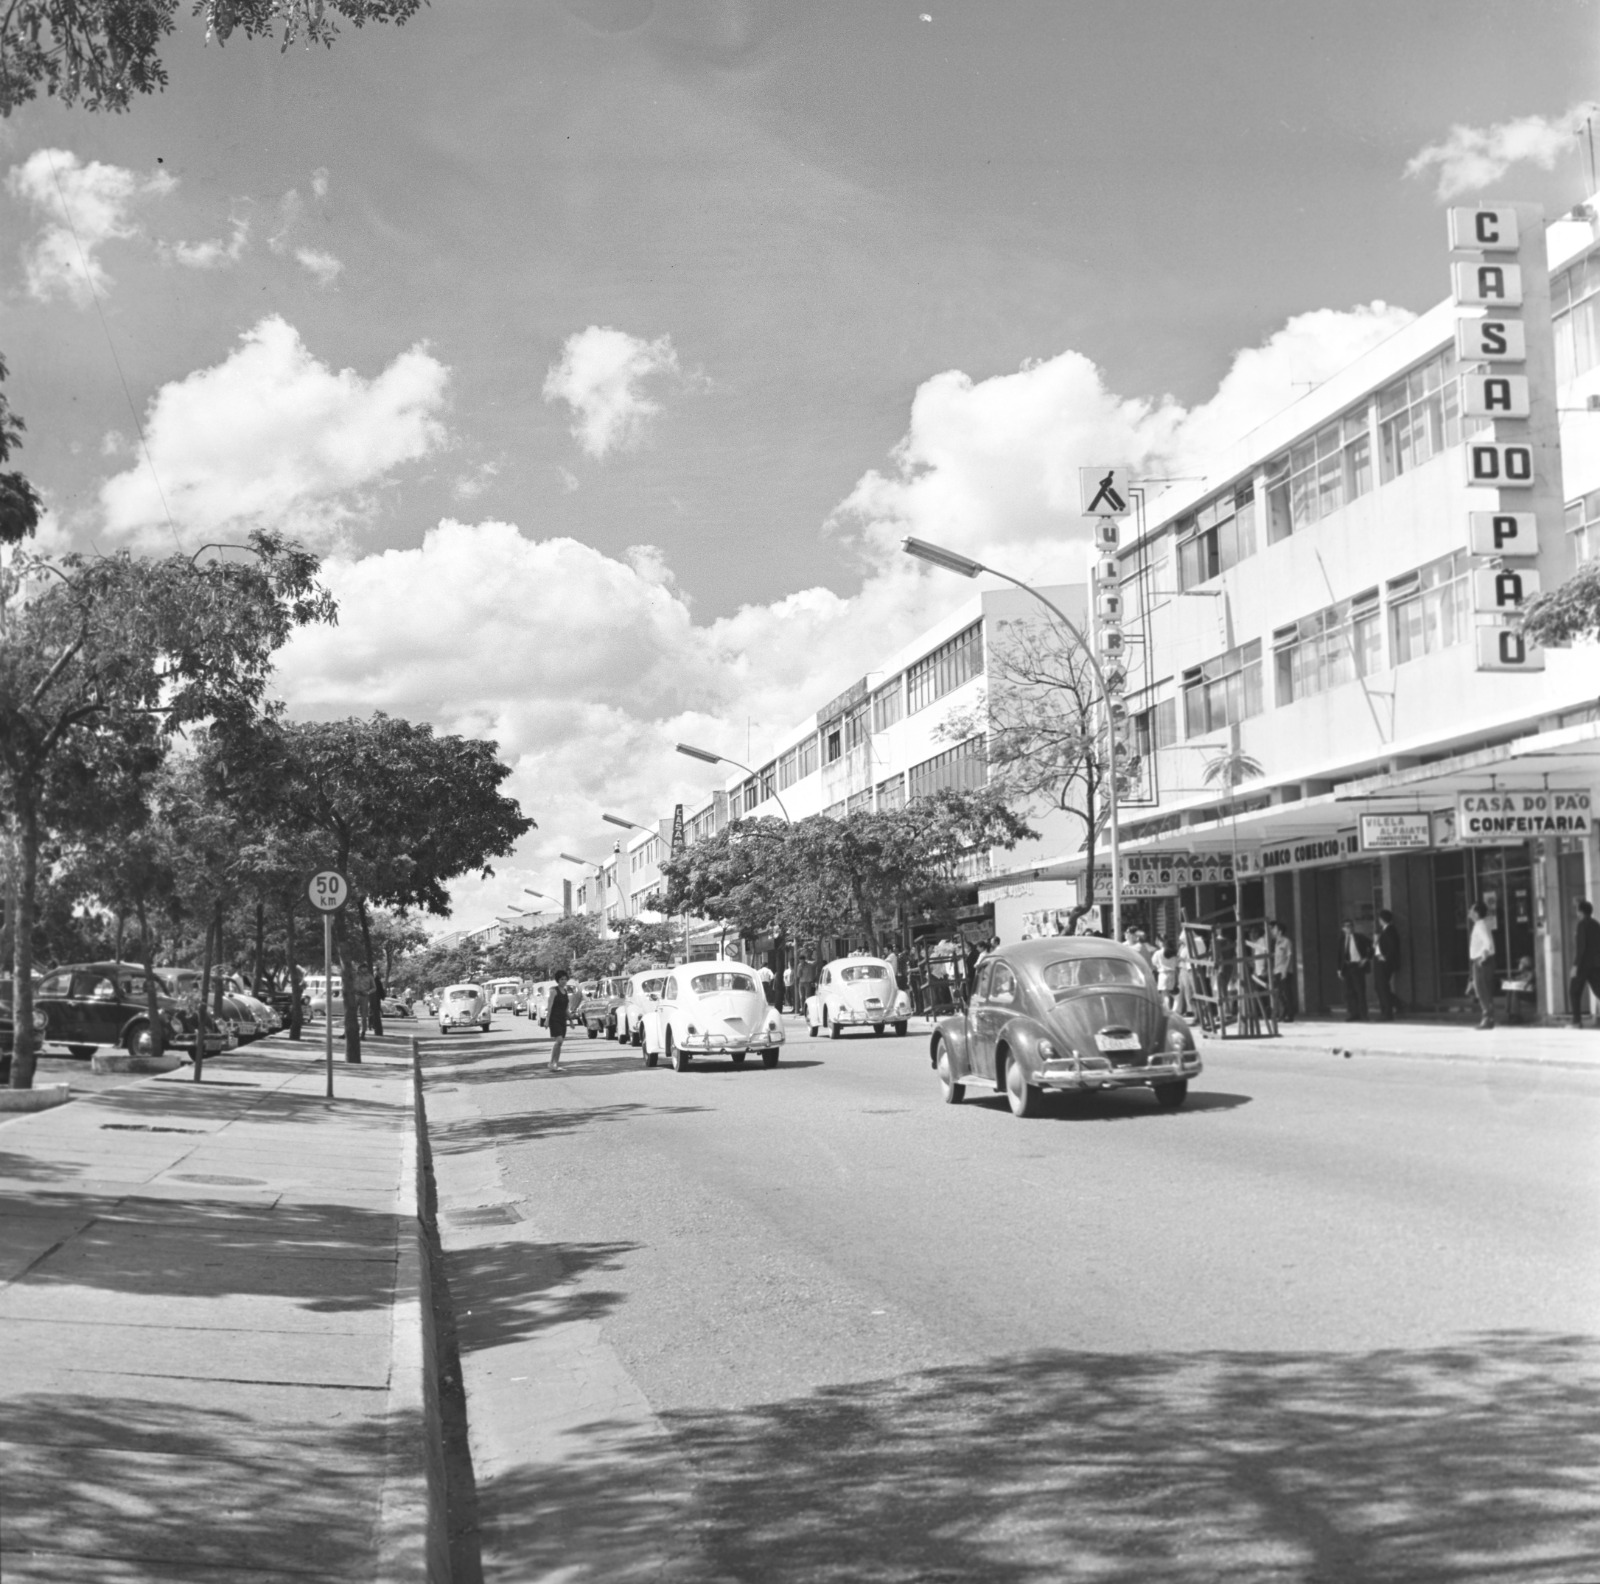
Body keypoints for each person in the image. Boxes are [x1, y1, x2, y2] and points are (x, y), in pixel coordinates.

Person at [1468, 902, 1496, 1030]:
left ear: (1477, 913)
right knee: (1483, 990)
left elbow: (1487, 943)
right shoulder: (1480, 925)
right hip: (1482, 960)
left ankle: (1487, 1019)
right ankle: (1488, 1018)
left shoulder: (1480, 926)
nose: (1469, 912)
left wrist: (1483, 957)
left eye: (1472, 910)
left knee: (1482, 990)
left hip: (1482, 961)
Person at [1572, 899, 1600, 1027]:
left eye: (1577, 910)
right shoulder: (1596, 924)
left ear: (1581, 911)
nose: (1576, 912)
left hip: (1583, 964)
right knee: (1598, 989)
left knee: (1574, 991)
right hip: (1596, 964)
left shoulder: (1582, 925)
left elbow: (1581, 947)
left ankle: (1576, 1021)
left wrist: (1575, 965)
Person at [1338, 918, 1372, 1021]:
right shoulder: (1341, 939)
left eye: (1351, 926)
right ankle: (1353, 1014)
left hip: (1357, 966)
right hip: (1346, 967)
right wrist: (1339, 969)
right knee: (1349, 992)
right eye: (1347, 926)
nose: (1350, 928)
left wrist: (1366, 958)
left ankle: (1363, 1014)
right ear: (1343, 928)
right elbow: (1339, 955)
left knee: (1360, 990)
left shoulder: (1360, 937)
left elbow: (1373, 946)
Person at [1373, 909, 1402, 1021]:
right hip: (1380, 960)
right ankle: (1397, 1005)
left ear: (1382, 919)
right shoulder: (1384, 930)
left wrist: (1385, 957)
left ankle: (1387, 1012)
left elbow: (1393, 947)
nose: (1378, 920)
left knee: (1382, 987)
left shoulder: (1390, 930)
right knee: (1379, 987)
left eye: (1379, 918)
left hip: (1384, 962)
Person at [546, 968, 574, 1071]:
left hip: (562, 1019)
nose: (563, 981)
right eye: (561, 979)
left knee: (560, 1043)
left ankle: (555, 1064)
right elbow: (549, 1006)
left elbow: (566, 1009)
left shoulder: (565, 992)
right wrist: (547, 1020)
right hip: (554, 1019)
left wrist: (571, 1020)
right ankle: (552, 1063)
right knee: (559, 1040)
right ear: (558, 980)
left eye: (565, 979)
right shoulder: (554, 991)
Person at [1271, 922, 1297, 1022]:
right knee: (1280, 994)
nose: (1273, 931)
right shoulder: (1274, 943)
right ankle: (1283, 1013)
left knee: (1287, 993)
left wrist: (1285, 970)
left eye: (1274, 929)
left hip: (1284, 971)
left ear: (1280, 931)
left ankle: (1290, 1015)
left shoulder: (1286, 941)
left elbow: (1289, 956)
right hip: (1276, 971)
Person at [1157, 935, 1180, 1011]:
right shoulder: (1174, 953)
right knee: (1174, 993)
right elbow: (1177, 963)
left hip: (1163, 974)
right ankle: (1174, 1010)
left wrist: (1159, 966)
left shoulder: (1158, 953)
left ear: (1161, 942)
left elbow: (1153, 962)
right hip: (1172, 974)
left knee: (1165, 995)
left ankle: (1167, 1011)